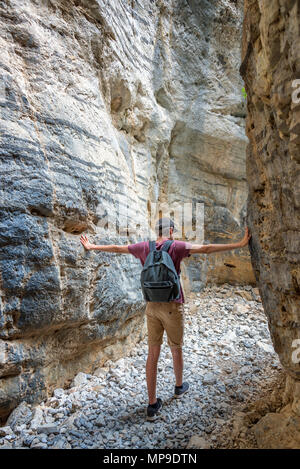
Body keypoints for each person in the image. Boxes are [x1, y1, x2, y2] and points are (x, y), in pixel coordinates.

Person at [80, 217, 251, 421]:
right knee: (176, 348)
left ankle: (152, 405)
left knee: (153, 354)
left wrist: (92, 246)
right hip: (173, 306)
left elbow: (118, 248)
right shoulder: (176, 247)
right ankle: (179, 387)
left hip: (152, 306)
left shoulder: (144, 247)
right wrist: (239, 244)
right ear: (170, 230)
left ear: (157, 231)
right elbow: (205, 249)